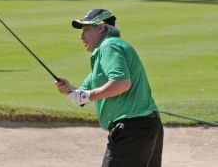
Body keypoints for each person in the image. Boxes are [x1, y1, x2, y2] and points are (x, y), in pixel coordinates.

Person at [55, 9, 163, 167]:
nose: (81, 36)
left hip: (133, 129)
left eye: (86, 30)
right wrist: (69, 90)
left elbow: (121, 84)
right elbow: (81, 95)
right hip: (144, 126)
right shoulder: (104, 54)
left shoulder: (109, 46)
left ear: (100, 27)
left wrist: (86, 96)